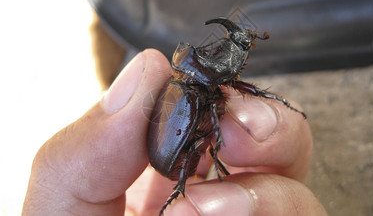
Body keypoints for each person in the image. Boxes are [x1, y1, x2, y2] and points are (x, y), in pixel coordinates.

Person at [22, 49, 327, 215]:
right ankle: (179, 194)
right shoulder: (193, 94)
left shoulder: (191, 87)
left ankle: (184, 190)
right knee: (197, 143)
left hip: (167, 159)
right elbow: (206, 135)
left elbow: (216, 128)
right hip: (173, 161)